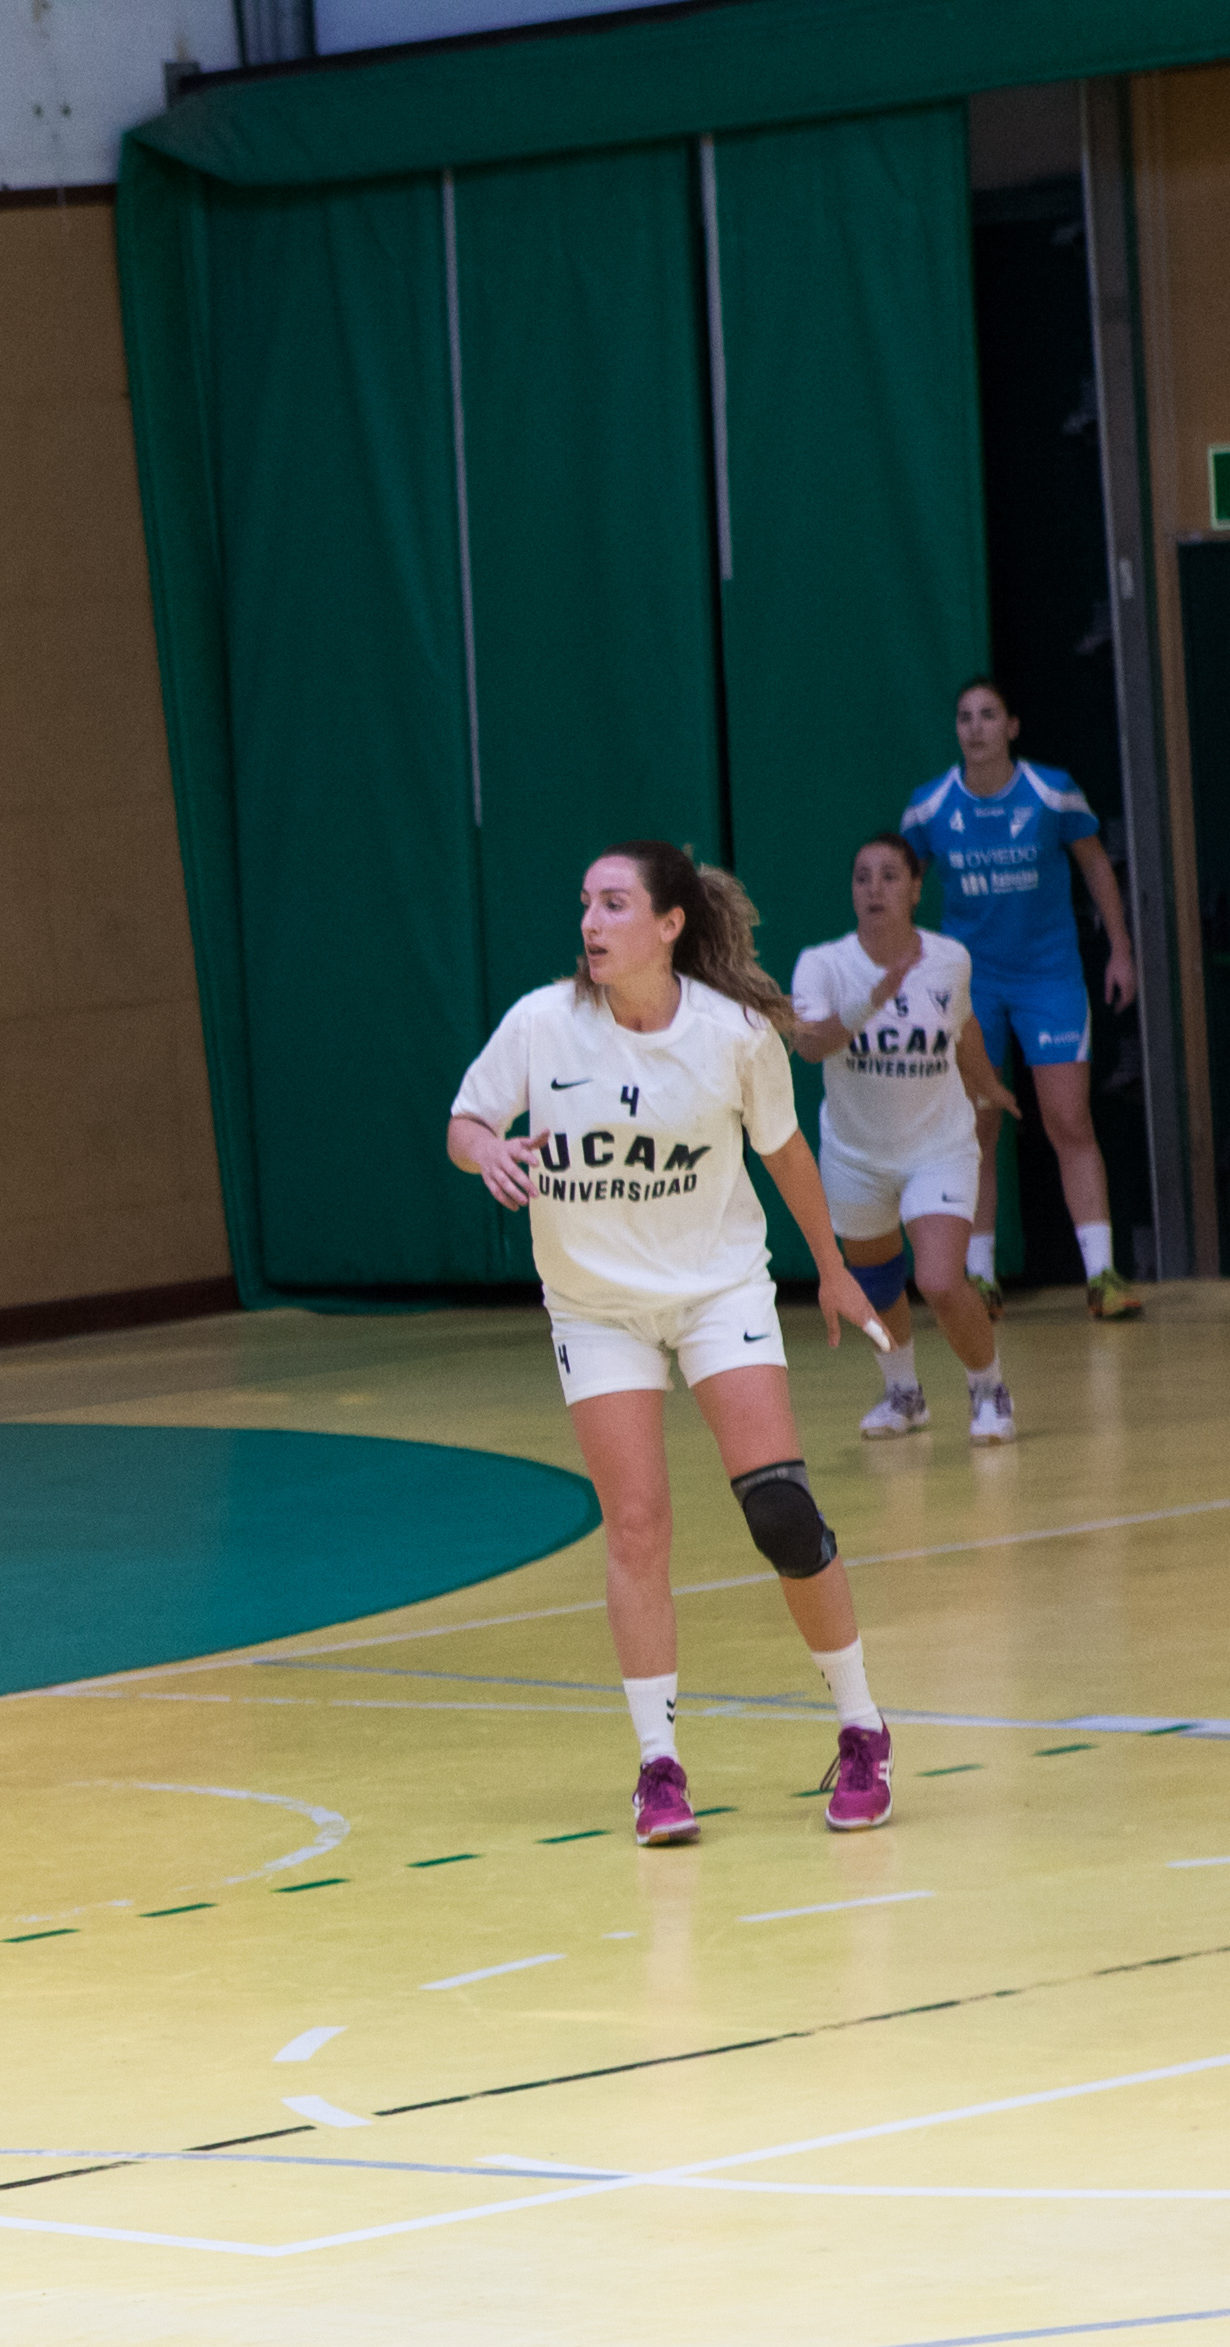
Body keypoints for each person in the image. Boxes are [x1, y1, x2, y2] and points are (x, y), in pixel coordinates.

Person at [447, 845, 903, 1846]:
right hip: (595, 1306)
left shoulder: (732, 1033)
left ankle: (861, 1726)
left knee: (780, 1511)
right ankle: (658, 1767)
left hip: (716, 1290)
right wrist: (487, 1151)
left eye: (613, 904)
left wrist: (831, 1268)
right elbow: (466, 1119)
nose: (590, 922)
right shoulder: (541, 1023)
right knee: (636, 1525)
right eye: (584, 903)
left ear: (668, 925)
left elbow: (785, 1151)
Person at [901, 679, 1141, 1318]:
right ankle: (979, 1279)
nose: (975, 728)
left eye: (988, 716)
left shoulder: (1051, 791)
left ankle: (1102, 1275)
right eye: (965, 717)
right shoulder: (929, 807)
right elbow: (904, 886)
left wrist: (1120, 949)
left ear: (1011, 726)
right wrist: (907, 968)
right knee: (977, 1126)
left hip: (1048, 977)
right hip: (971, 987)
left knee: (1069, 1120)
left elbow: (1096, 864)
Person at [774, 834, 1021, 1444]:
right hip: (855, 1156)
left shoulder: (949, 959)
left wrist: (988, 1085)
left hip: (939, 1149)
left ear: (915, 888)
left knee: (939, 1280)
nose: (874, 888)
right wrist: (872, 1001)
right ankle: (903, 1395)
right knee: (879, 1286)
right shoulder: (823, 965)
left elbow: (963, 1028)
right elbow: (810, 1046)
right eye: (862, 877)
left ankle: (988, 1389)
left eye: (889, 876)